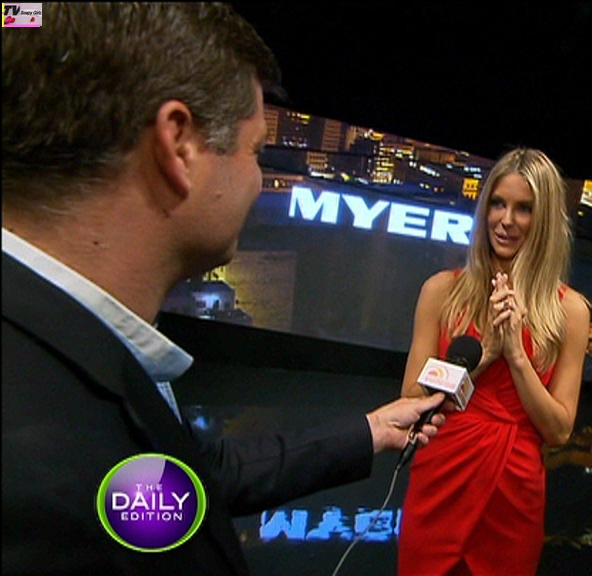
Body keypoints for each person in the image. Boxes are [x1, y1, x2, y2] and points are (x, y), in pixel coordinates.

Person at [1, 4, 446, 574]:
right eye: (256, 151)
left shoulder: (68, 358)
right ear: (180, 145)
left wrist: (371, 430)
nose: (260, 180)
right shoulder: (34, 471)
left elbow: (194, 474)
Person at [397, 148, 592, 575]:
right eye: (498, 204)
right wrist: (484, 354)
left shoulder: (570, 312)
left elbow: (559, 429)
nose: (506, 220)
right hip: (441, 476)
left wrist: (517, 355)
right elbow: (411, 397)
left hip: (514, 492)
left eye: (524, 209)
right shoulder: (441, 292)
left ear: (545, 220)